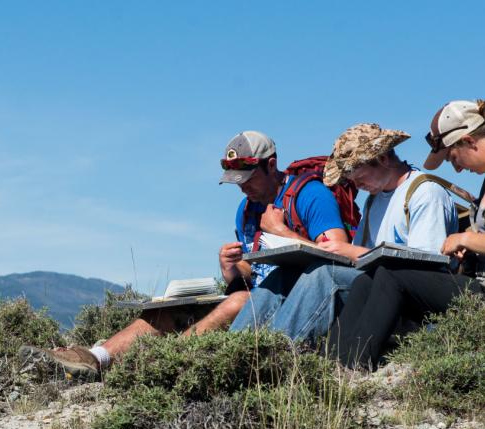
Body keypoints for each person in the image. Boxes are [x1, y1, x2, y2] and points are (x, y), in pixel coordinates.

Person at [20, 130, 347, 381]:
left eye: (247, 179)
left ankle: (171, 364)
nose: (241, 188)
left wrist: (284, 233)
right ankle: (94, 359)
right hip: (257, 296)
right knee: (165, 313)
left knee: (235, 304)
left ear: (271, 165)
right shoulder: (246, 211)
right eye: (236, 181)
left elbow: (338, 254)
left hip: (291, 300)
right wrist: (232, 269)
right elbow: (252, 275)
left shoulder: (311, 195)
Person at [232, 123, 459, 343]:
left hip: (408, 299)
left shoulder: (425, 194)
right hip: (374, 287)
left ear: (382, 159)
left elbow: (426, 270)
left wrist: (349, 250)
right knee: (283, 276)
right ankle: (235, 351)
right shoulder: (374, 201)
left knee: (324, 276)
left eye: (359, 178)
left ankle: (277, 353)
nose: (357, 187)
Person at [327, 100, 485, 370]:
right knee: (367, 281)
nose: (457, 169)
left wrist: (466, 239)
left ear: (469, 141)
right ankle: (334, 365)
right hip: (474, 283)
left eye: (453, 157)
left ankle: (358, 364)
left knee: (389, 277)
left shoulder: (424, 192)